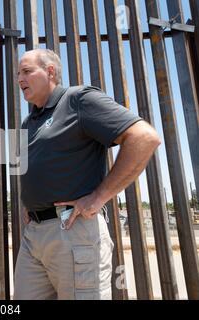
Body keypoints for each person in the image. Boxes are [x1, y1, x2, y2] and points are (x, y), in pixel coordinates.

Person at [14, 49, 161, 300]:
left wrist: (99, 197)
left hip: (73, 230)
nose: (20, 79)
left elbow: (144, 137)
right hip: (34, 236)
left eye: (27, 71)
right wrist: (30, 204)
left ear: (50, 72)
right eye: (18, 74)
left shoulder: (78, 100)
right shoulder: (30, 121)